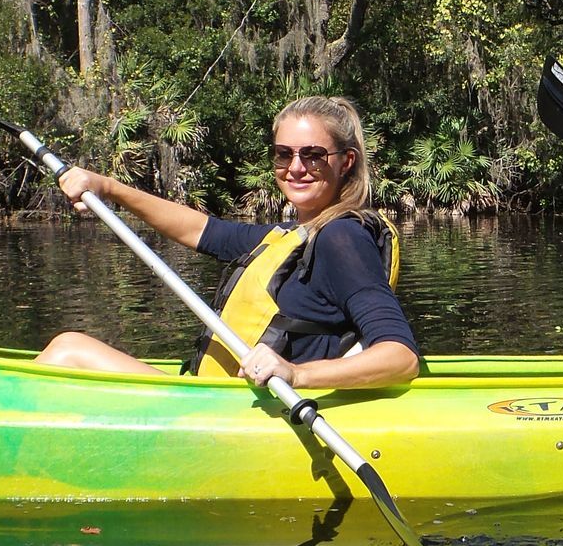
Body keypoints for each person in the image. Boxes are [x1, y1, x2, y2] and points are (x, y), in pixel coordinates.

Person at [37, 95, 419, 389]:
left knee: (68, 352)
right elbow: (199, 229)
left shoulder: (342, 236)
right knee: (67, 348)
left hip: (243, 410)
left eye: (314, 156)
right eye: (283, 155)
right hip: (211, 397)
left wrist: (296, 374)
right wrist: (107, 187)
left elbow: (400, 357)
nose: (296, 168)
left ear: (346, 161)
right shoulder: (288, 237)